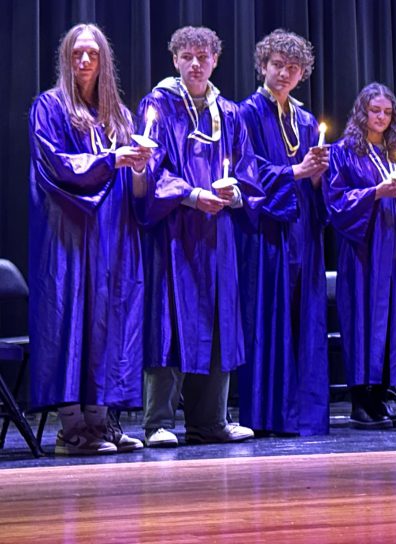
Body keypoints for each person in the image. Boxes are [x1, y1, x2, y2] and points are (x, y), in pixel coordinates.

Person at [137, 26, 262, 446]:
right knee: (171, 319)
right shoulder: (158, 105)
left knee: (218, 320)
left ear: (215, 61)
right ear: (174, 60)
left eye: (203, 57)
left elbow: (246, 169)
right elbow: (150, 166)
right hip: (176, 231)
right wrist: (191, 195)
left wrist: (235, 192)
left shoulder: (228, 113)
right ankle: (158, 422)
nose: (195, 63)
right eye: (187, 56)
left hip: (217, 234)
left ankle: (210, 421)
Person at [28, 23, 148, 455]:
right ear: (66, 58)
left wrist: (138, 166)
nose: (84, 61)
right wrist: (110, 159)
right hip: (70, 230)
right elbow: (58, 165)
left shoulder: (119, 116)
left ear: (103, 60)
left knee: (107, 317)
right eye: (77, 53)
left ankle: (100, 420)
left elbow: (137, 185)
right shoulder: (48, 107)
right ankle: (70, 427)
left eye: (92, 54)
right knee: (69, 318)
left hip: (113, 232)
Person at [236, 29, 329, 436]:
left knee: (304, 317)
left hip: (303, 228)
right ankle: (267, 414)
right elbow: (245, 170)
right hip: (267, 229)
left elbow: (317, 183)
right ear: (263, 65)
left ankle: (304, 415)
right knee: (269, 316)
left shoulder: (306, 120)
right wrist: (295, 172)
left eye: (293, 68)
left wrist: (319, 176)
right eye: (278, 65)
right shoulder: (246, 114)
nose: (285, 74)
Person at [324, 82, 396, 429]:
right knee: (362, 317)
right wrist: (375, 192)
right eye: (375, 111)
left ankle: (387, 391)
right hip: (363, 252)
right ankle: (362, 398)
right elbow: (336, 201)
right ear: (362, 112)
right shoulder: (344, 152)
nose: (382, 118)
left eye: (387, 112)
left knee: (395, 319)